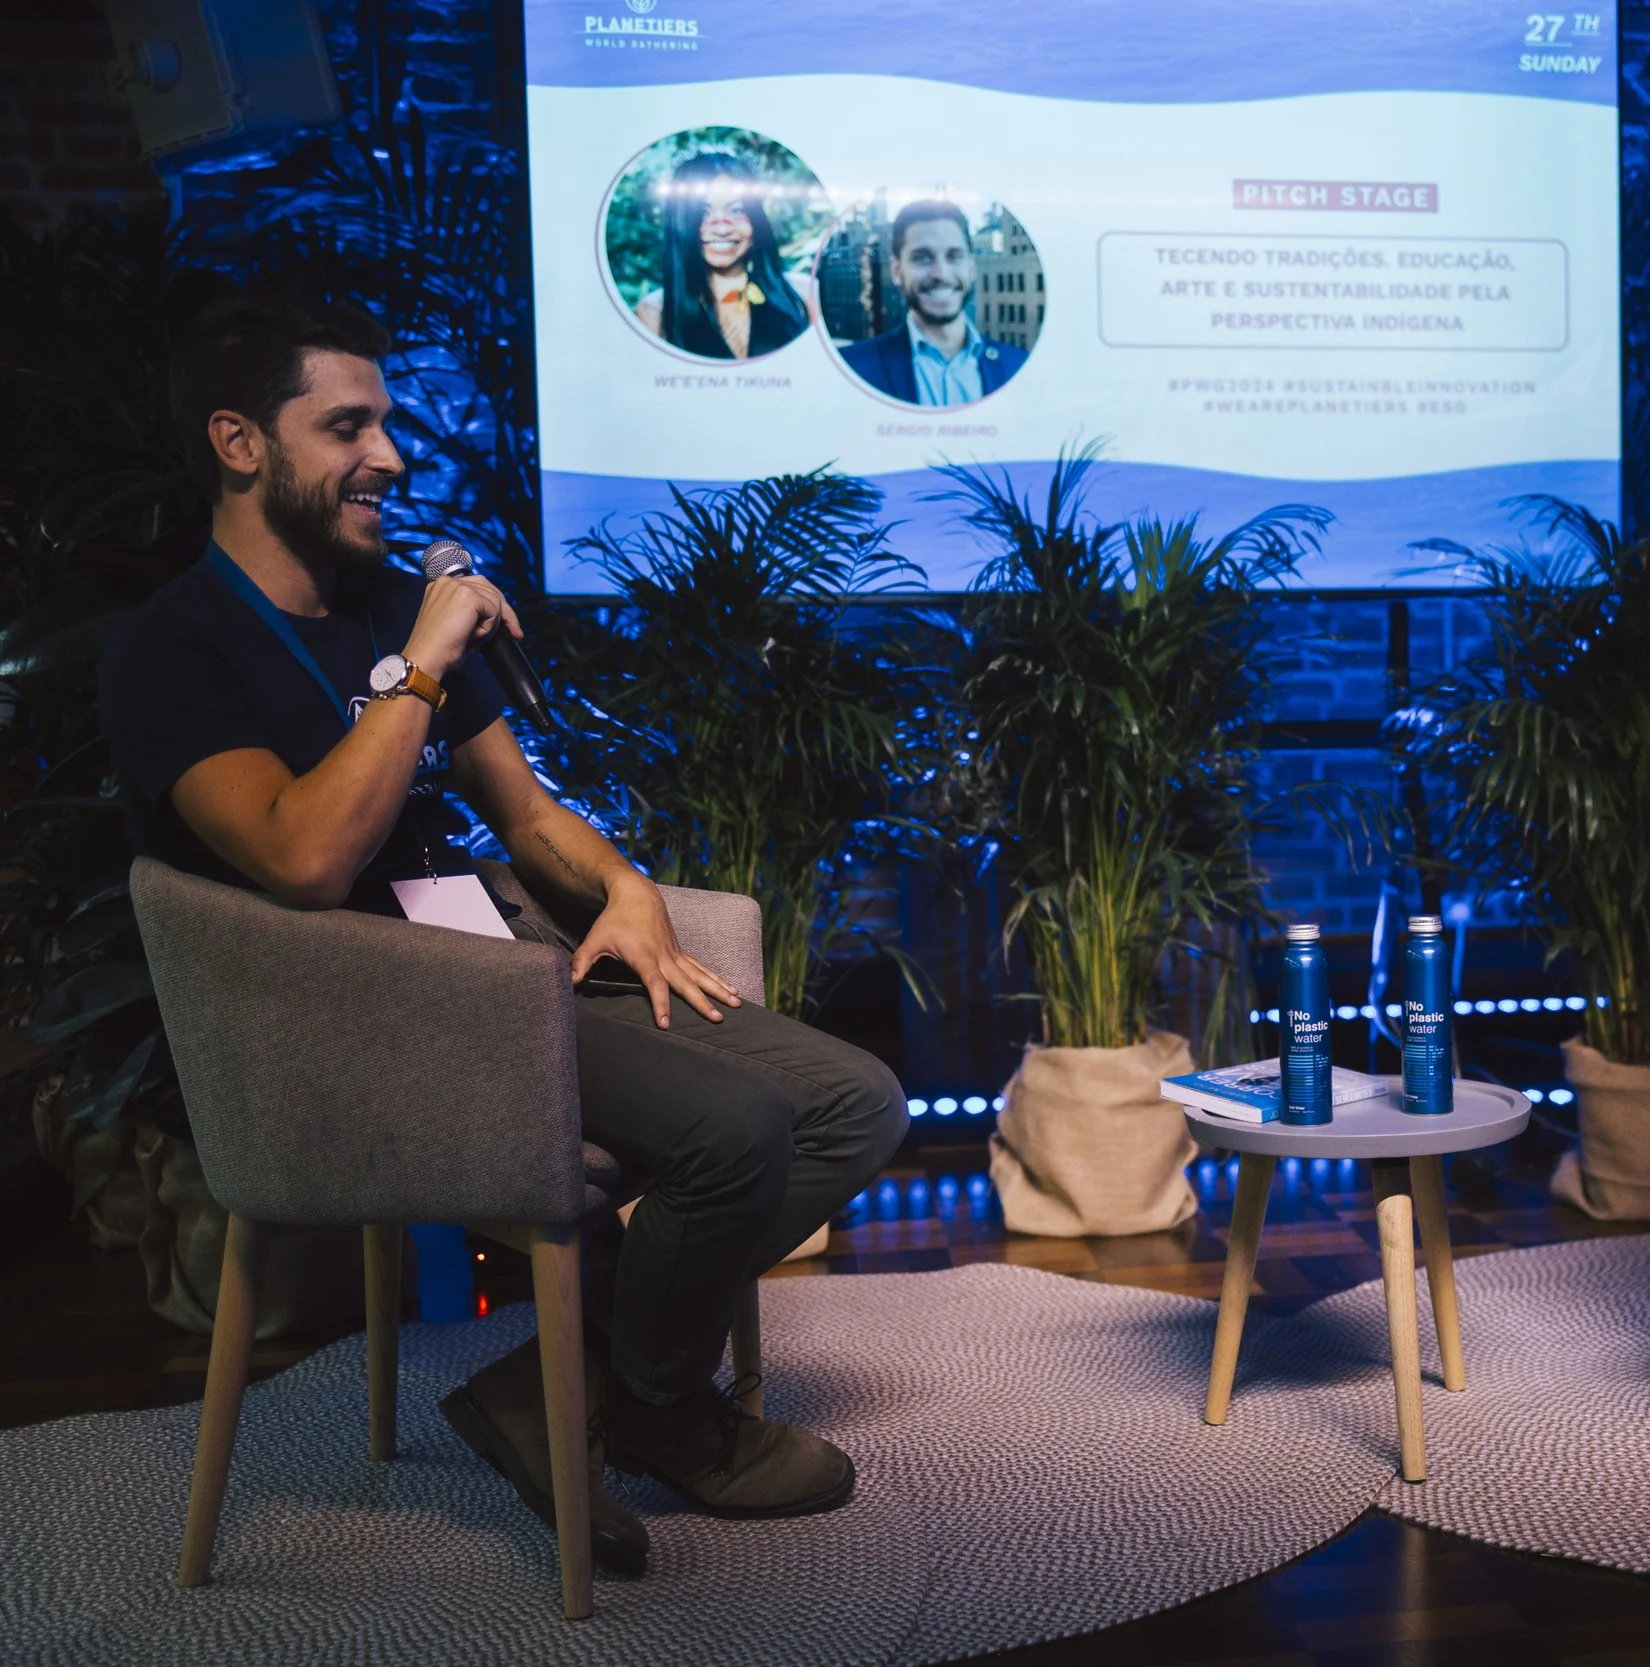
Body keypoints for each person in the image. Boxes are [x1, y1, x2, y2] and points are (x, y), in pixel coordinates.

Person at [100, 292, 906, 1578]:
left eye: (389, 424)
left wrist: (627, 889)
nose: (393, 457)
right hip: (353, 1020)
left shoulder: (378, 602)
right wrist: (421, 661)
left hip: (496, 971)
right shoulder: (173, 651)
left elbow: (524, 813)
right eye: (347, 425)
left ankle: (563, 1388)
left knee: (853, 1102)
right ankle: (654, 1402)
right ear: (240, 444)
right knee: (734, 1128)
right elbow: (303, 860)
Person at [837, 199, 1027, 404]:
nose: (941, 274)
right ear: (896, 271)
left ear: (971, 268)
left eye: (954, 256)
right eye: (923, 258)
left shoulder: (1019, 365)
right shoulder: (850, 369)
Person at [631, 150, 817, 360]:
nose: (721, 229)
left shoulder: (804, 296)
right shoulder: (654, 314)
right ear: (681, 221)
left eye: (736, 210)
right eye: (703, 213)